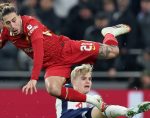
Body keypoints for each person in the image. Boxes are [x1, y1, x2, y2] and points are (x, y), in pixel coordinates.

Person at [0, 2, 131, 110]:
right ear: (3, 24)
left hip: (67, 49)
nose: (12, 25)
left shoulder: (31, 24)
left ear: (19, 16)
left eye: (14, 20)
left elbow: (38, 51)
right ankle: (93, 100)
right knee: (53, 89)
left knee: (114, 51)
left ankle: (109, 33)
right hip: (53, 65)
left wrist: (34, 78)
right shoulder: (6, 32)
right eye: (8, 23)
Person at [56, 64, 149, 118]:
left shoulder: (85, 96)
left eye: (89, 79)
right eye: (83, 78)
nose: (88, 81)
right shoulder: (66, 89)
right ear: (73, 81)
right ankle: (127, 111)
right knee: (100, 110)